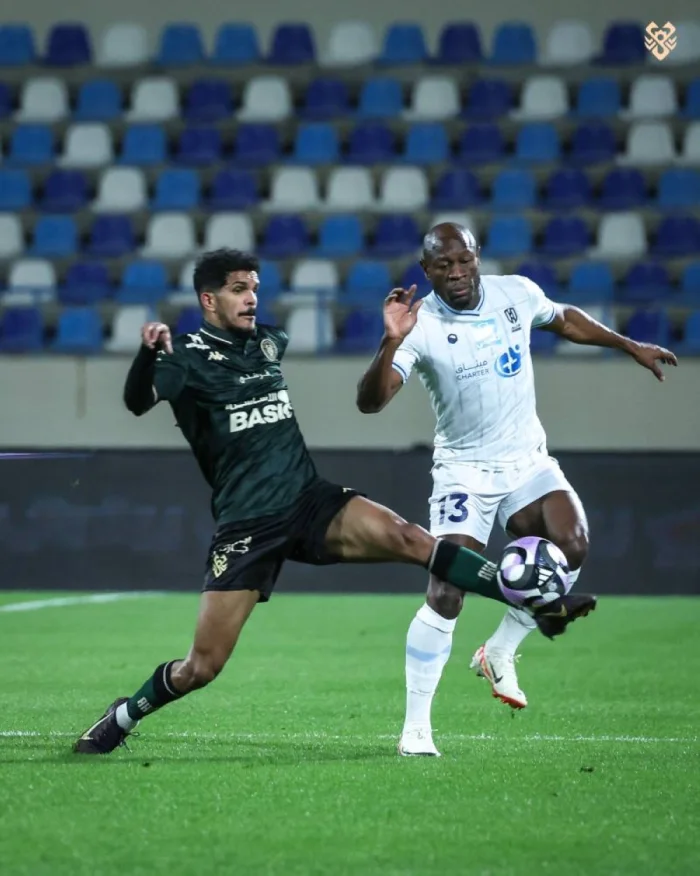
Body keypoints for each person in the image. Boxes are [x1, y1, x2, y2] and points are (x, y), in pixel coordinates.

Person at [73, 247, 598, 756]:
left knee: (414, 540)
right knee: (201, 668)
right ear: (208, 300)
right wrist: (148, 354)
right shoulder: (183, 357)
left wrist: (391, 337)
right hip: (247, 525)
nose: (251, 298)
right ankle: (123, 716)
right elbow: (137, 401)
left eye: (254, 288)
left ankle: (536, 602)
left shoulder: (268, 342)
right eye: (238, 290)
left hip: (309, 500)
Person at [356, 223, 677, 757]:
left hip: (527, 461)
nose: (457, 272)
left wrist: (629, 345)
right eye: (443, 265)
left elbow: (563, 318)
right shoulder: (420, 324)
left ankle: (500, 650)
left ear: (478, 256)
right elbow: (371, 402)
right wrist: (390, 341)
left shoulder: (516, 293)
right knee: (447, 590)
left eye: (464, 260)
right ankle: (415, 728)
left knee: (572, 544)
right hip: (464, 470)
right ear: (426, 271)